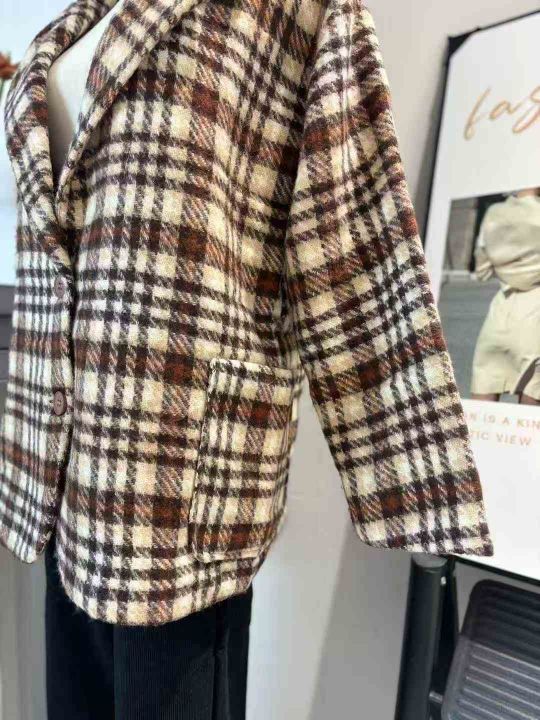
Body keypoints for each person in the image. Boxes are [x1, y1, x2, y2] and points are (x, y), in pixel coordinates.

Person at [1, 0, 492, 717]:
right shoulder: (76, 24)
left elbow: (345, 232)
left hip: (177, 494)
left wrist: (416, 483)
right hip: (61, 477)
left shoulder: (290, 12)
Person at [471, 187, 540, 405]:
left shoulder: (494, 212)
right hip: (536, 317)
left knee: (483, 402)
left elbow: (482, 272)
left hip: (499, 314)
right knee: (530, 412)